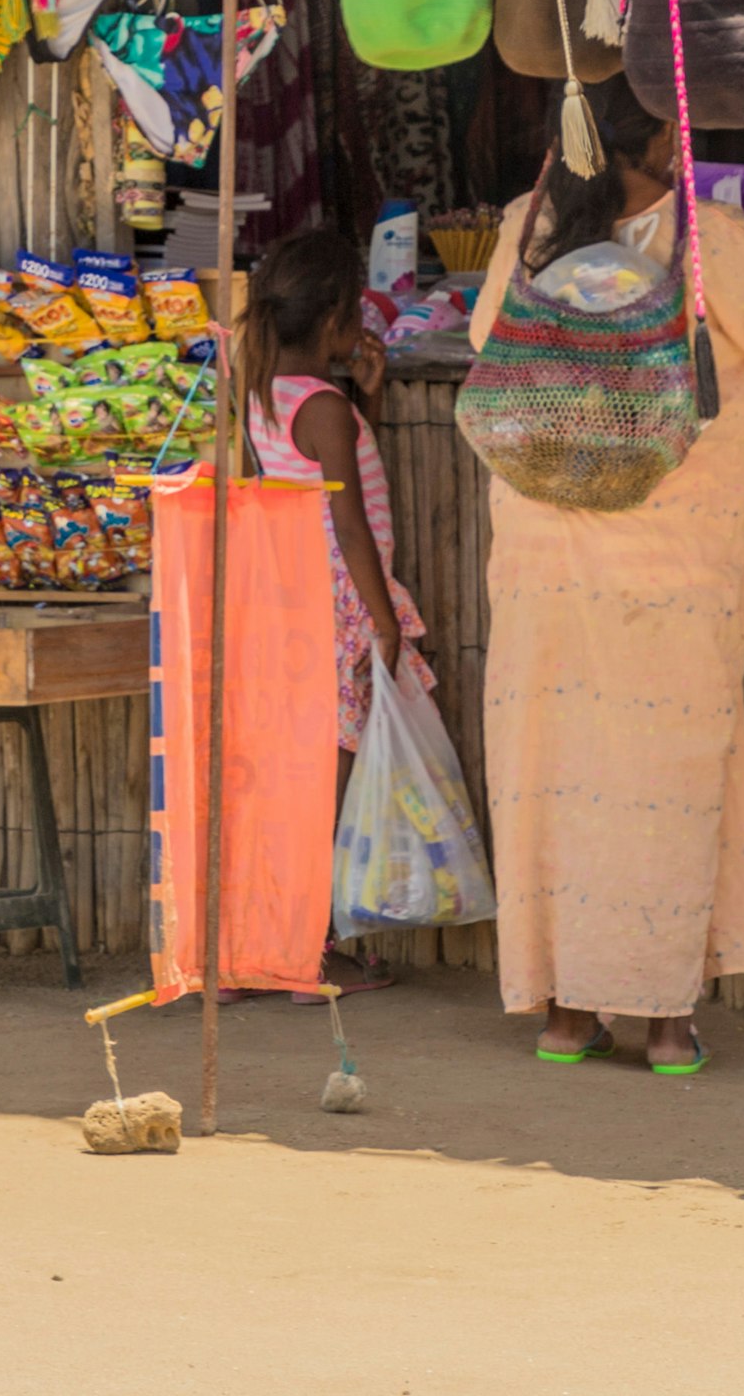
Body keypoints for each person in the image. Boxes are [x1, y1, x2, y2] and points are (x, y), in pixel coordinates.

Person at [467, 70, 744, 1074]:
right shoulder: (708, 242)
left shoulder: (530, 223)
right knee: (664, 777)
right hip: (670, 558)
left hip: (542, 553)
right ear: (658, 140)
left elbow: (485, 346)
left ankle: (564, 1014)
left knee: (553, 770)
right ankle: (664, 1023)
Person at [239, 229, 432, 996]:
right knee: (330, 782)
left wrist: (368, 400)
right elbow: (350, 525)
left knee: (301, 777)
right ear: (332, 322)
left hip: (293, 603)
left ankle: (274, 939)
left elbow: (329, 485)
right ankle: (304, 952)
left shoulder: (270, 393)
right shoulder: (321, 404)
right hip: (340, 608)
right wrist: (384, 621)